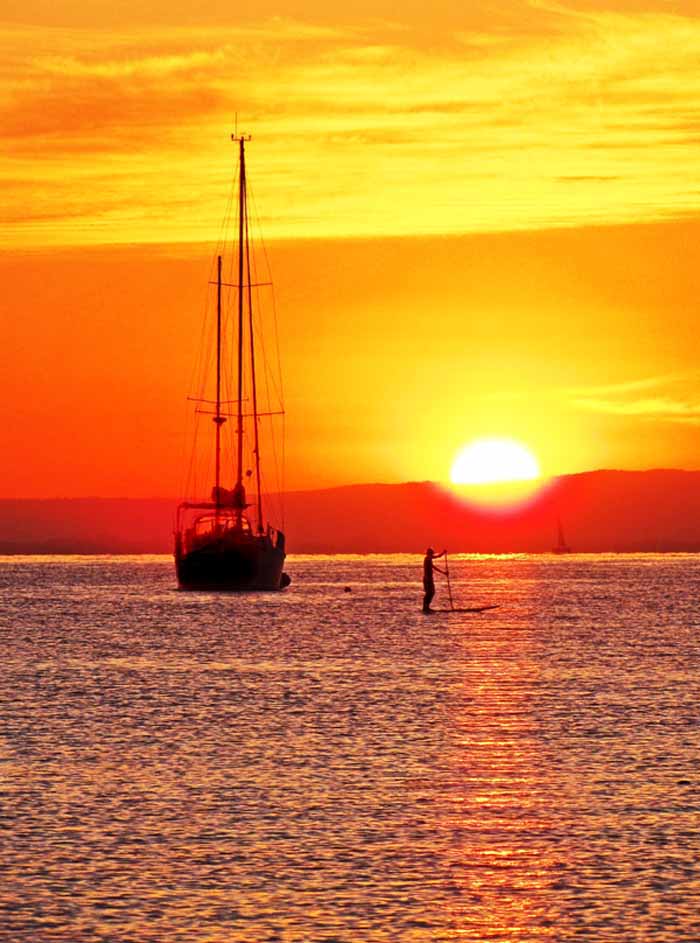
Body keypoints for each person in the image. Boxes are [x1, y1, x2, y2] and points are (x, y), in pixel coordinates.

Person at [422, 547, 446, 613]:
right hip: (427, 579)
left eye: (432, 554)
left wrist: (443, 572)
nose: (432, 555)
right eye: (431, 554)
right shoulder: (427, 559)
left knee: (432, 592)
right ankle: (425, 607)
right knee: (429, 592)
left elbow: (434, 565)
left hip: (430, 579)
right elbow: (435, 558)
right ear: (428, 553)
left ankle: (427, 607)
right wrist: (427, 579)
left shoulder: (429, 559)